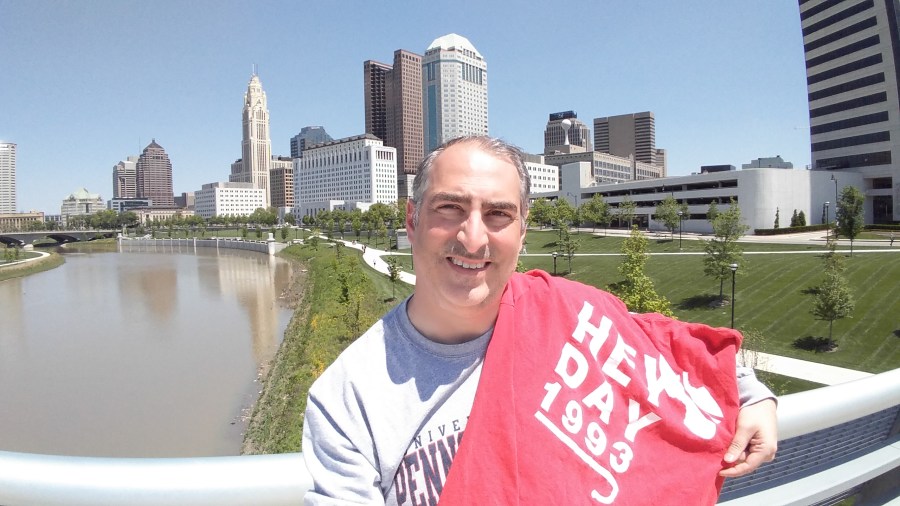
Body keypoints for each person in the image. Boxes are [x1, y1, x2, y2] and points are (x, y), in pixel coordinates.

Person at [303, 136, 777, 505]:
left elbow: (673, 352)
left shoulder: (570, 314)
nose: (472, 238)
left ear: (523, 230)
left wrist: (754, 397)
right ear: (411, 221)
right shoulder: (347, 396)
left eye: (497, 215)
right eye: (449, 208)